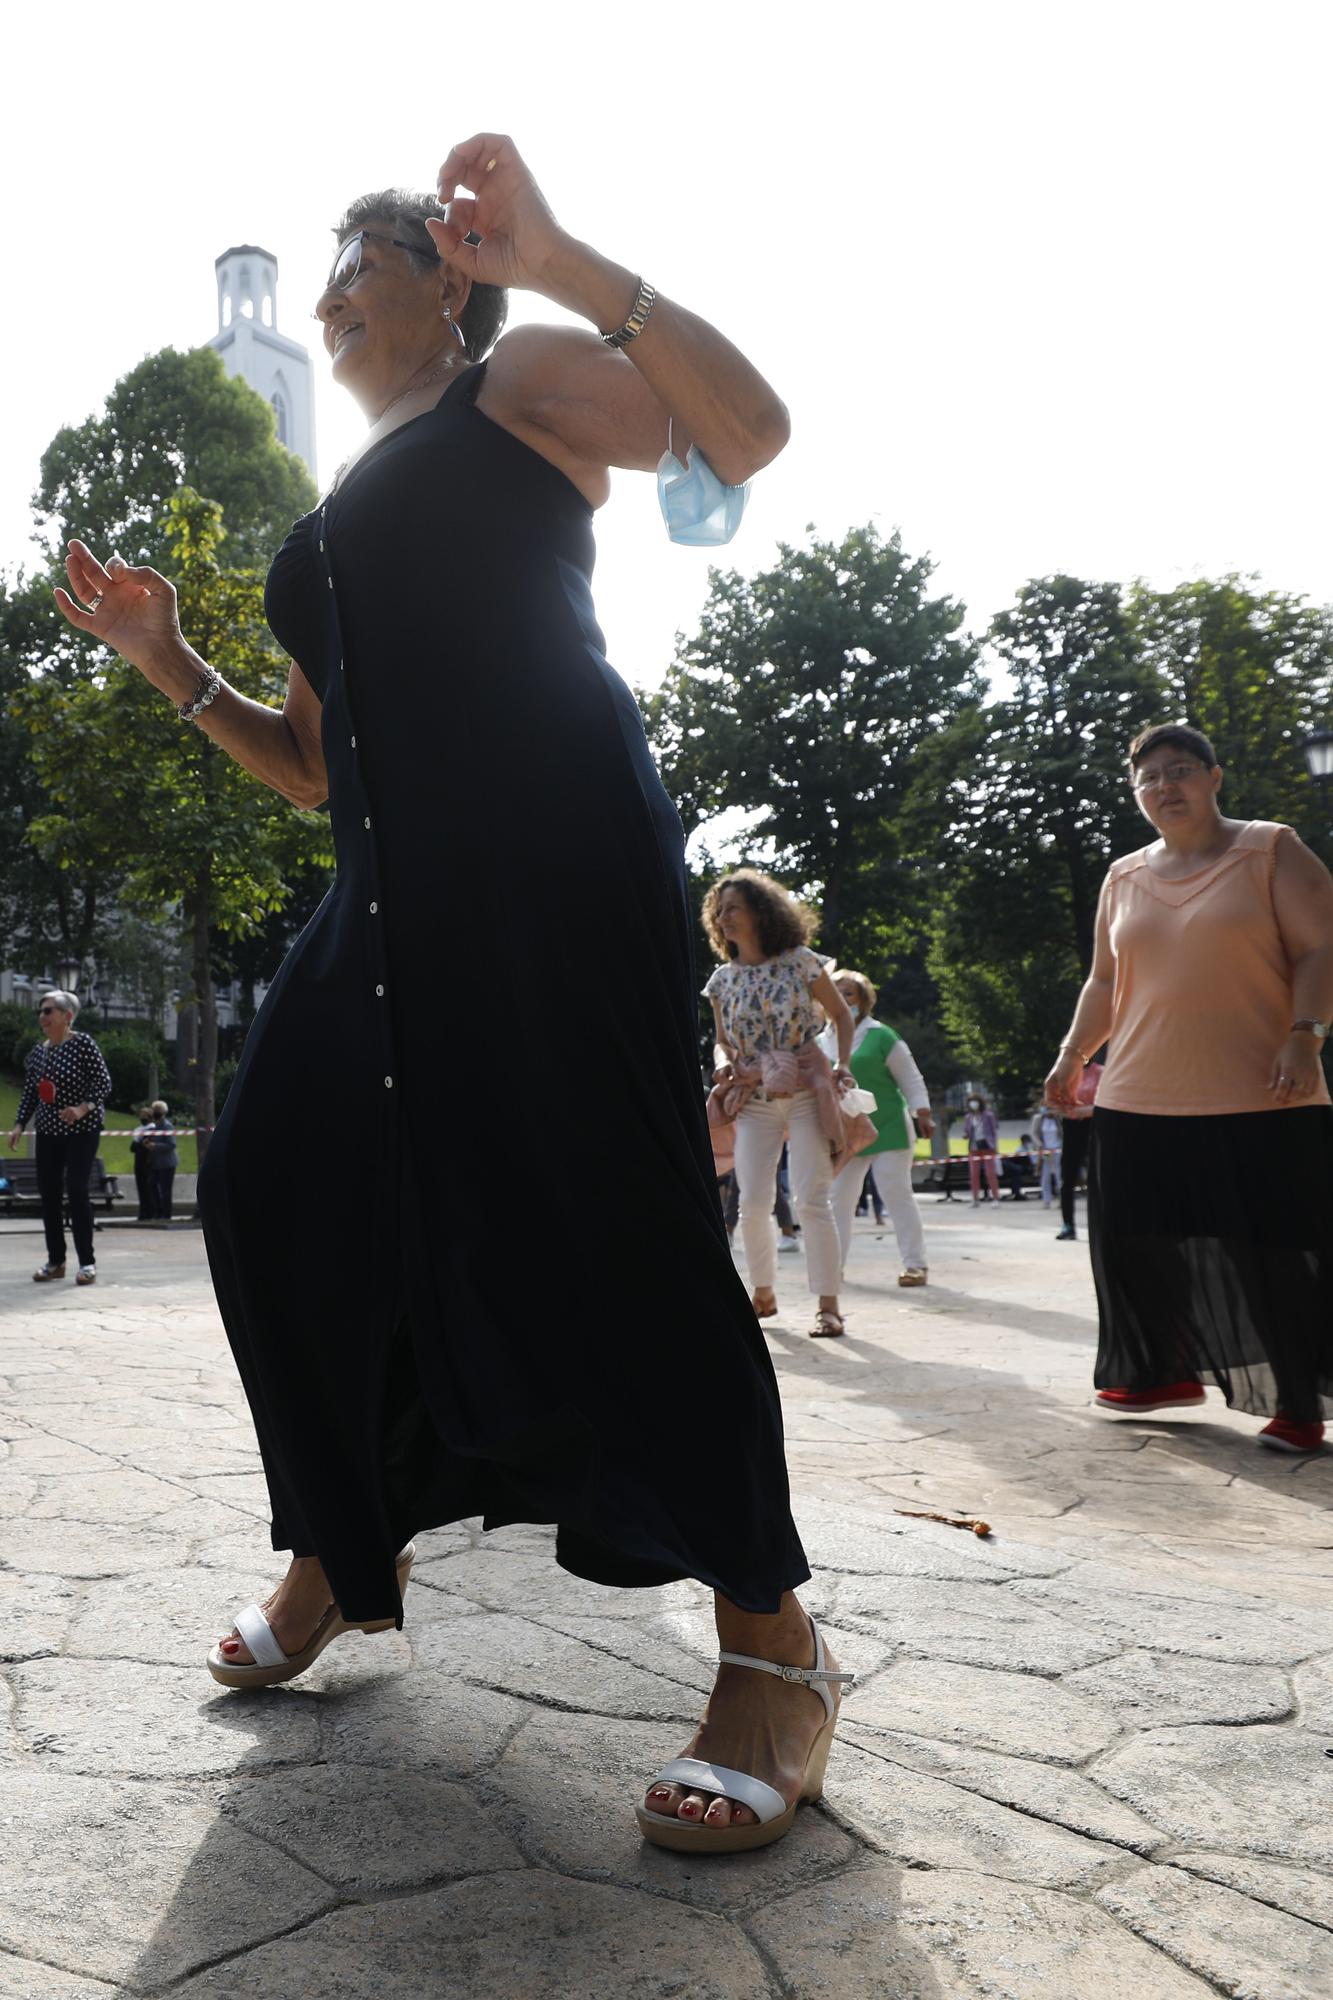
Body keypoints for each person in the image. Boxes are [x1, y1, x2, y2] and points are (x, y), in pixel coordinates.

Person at [53, 138, 853, 1851]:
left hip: (553, 875)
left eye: (369, 261)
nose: (335, 290)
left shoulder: (524, 382)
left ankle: (772, 1651)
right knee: (279, 1192)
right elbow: (309, 764)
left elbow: (741, 433)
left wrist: (563, 254)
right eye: (329, 271)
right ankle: (346, 1550)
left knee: (615, 1231)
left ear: (448, 282)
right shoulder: (334, 512)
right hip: (387, 907)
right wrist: (166, 661)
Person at [1045, 721, 1333, 1455]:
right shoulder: (1122, 876)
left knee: (1272, 1250)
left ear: (1214, 775)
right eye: (1148, 778)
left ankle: (1297, 1403)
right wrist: (1073, 1054)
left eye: (1178, 770)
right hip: (1137, 1091)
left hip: (1260, 1090)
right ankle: (1157, 1374)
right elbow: (1104, 981)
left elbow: (1317, 947)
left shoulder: (1269, 849)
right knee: (1135, 1240)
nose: (1163, 786)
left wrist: (1304, 1031)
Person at [702, 870, 859, 1338]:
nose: (724, 917)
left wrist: (843, 1063)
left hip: (808, 1088)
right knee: (751, 1201)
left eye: (733, 908)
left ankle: (828, 1305)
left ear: (760, 912)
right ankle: (763, 1291)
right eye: (720, 910)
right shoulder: (722, 980)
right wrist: (722, 1062)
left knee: (812, 1198)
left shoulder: (800, 962)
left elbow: (842, 1016)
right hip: (754, 1096)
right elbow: (722, 1040)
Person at [819, 969, 933, 1286]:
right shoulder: (819, 1041)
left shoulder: (882, 1036)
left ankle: (915, 1265)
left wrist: (922, 1111)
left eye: (849, 994)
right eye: (836, 993)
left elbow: (910, 1078)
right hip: (846, 1133)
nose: (842, 999)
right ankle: (833, 1268)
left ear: (864, 1001)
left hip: (889, 1127)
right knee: (839, 1199)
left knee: (896, 1194)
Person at [7, 991, 112, 1285]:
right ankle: (56, 1261)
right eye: (41, 1011)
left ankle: (87, 1263)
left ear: (67, 1016)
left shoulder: (83, 1044)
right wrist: (18, 1124)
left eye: (48, 1011)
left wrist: (81, 1108)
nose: (42, 1016)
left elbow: (103, 1082)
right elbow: (31, 1091)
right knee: (49, 1195)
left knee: (77, 1190)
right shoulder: (39, 1052)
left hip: (82, 1129)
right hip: (49, 1130)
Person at [1054, 1062, 1101, 1240]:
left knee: (1097, 1179)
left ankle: (1099, 1226)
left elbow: (1103, 1103)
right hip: (1071, 1128)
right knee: (1067, 1179)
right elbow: (1056, 1104)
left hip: (1093, 1127)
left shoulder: (1099, 1072)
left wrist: (1080, 1111)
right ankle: (1068, 1225)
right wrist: (1070, 1112)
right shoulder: (1065, 1071)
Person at [143, 1100, 178, 1222]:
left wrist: (155, 1146)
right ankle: (158, 1212)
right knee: (152, 1186)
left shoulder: (167, 1126)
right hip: (155, 1164)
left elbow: (171, 1144)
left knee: (165, 1190)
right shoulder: (154, 1126)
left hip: (167, 1164)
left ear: (163, 1112)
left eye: (158, 1111)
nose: (156, 1113)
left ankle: (166, 1214)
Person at [963, 1093, 1000, 1205]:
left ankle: (995, 1198)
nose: (973, 1104)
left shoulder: (988, 1115)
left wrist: (995, 1147)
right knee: (974, 1174)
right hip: (974, 1148)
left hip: (987, 1147)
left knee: (990, 1174)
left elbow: (994, 1132)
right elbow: (967, 1131)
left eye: (975, 1101)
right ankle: (975, 1199)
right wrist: (966, 1135)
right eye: (971, 1102)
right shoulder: (968, 1117)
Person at [1034, 1103, 1062, 1210]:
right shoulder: (1038, 1119)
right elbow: (1034, 1133)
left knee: (1059, 1176)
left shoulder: (1057, 1119)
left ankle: (1061, 1200)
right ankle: (1046, 1200)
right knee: (1045, 1176)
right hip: (1045, 1150)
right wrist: (1040, 1144)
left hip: (1057, 1149)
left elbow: (1062, 1133)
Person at [130, 1105, 157, 1221]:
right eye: (141, 1116)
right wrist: (140, 1144)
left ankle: (150, 1212)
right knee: (141, 1188)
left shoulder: (153, 1129)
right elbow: (133, 1147)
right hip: (139, 1162)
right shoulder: (138, 1130)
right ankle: (143, 1212)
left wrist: (140, 1144)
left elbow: (144, 1146)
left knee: (148, 1188)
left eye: (145, 1116)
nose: (142, 1118)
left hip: (148, 1162)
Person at [1001, 1134, 1038, 1200]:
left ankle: (1016, 1193)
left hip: (1027, 1168)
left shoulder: (1029, 1149)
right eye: (1028, 1141)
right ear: (1024, 1141)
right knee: (1016, 1172)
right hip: (1025, 1168)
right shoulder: (1020, 1150)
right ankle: (1017, 1193)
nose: (1030, 1143)